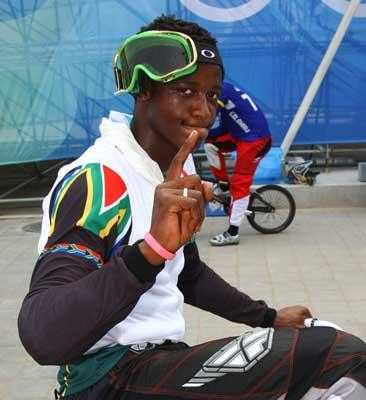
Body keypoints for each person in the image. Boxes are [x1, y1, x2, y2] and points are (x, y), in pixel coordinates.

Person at [18, 15, 365, 400]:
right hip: (107, 377)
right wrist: (149, 251)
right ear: (143, 90)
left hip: (159, 365)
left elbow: (188, 274)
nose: (204, 110)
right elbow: (42, 335)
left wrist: (269, 318)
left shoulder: (175, 167)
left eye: (211, 94)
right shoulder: (98, 180)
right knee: (337, 358)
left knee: (319, 336)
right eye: (185, 90)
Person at [204, 81, 272, 246]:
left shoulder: (220, 89)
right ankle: (223, 184)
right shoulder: (222, 88)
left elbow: (209, 116)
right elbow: (222, 128)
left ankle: (233, 233)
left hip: (256, 141)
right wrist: (206, 134)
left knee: (240, 183)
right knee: (210, 144)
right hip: (239, 135)